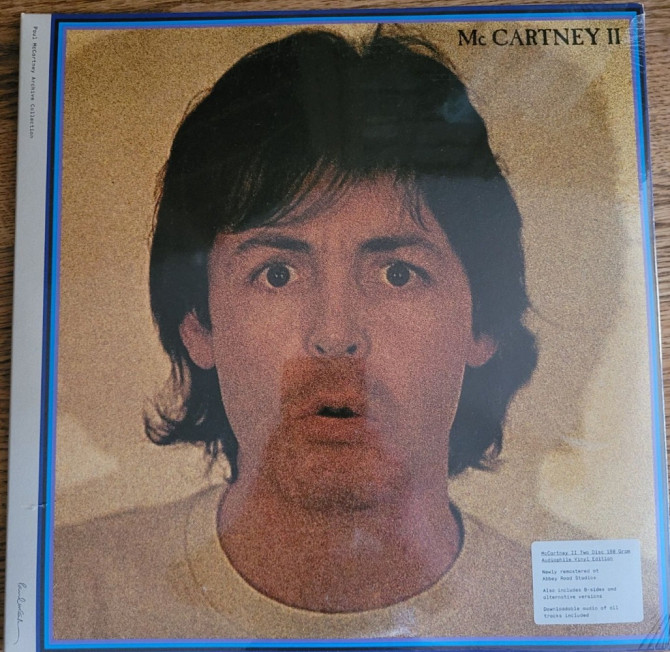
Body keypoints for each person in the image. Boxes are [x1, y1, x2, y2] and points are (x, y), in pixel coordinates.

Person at [56, 25, 619, 640]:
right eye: (277, 273)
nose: (334, 335)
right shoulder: (66, 598)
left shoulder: (612, 628)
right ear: (199, 324)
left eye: (398, 273)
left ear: (481, 324)